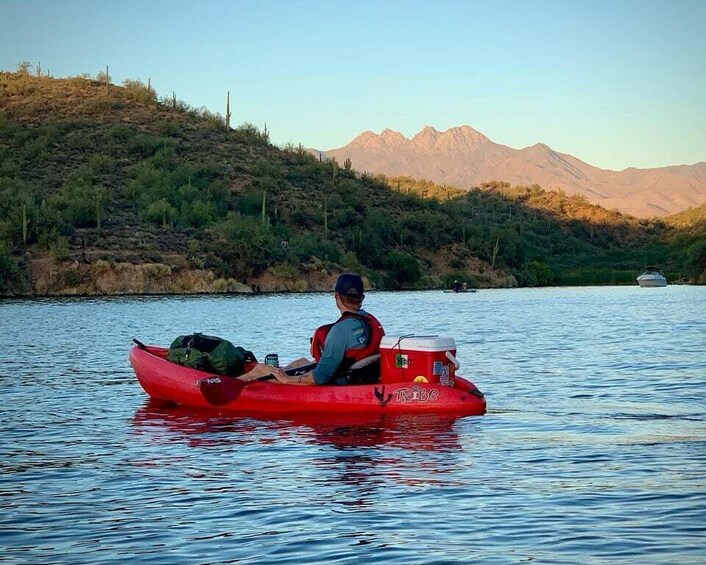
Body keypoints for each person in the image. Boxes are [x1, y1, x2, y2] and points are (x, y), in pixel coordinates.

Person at [242, 273, 384, 386]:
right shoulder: (371, 321)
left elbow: (319, 378)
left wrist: (288, 380)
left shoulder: (339, 331)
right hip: (360, 376)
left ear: (336, 296)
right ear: (361, 298)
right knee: (300, 362)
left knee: (261, 370)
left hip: (342, 381)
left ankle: (230, 384)